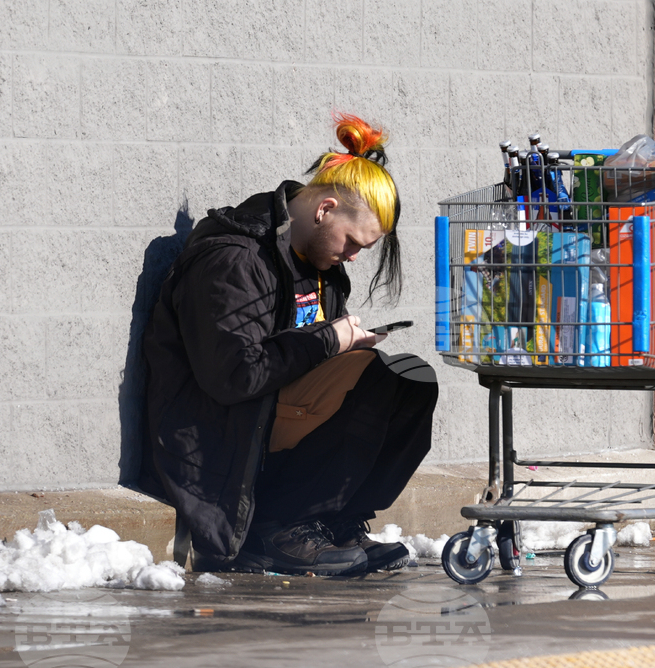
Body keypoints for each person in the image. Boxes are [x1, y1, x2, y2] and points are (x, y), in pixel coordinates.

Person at [142, 114, 438, 576]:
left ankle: (332, 519)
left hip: (272, 417)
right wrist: (330, 341)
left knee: (410, 382)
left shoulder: (321, 265)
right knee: (376, 377)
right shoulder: (236, 260)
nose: (354, 257)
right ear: (325, 210)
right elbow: (234, 377)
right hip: (223, 430)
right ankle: (280, 526)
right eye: (352, 242)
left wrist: (341, 343)